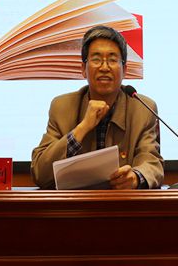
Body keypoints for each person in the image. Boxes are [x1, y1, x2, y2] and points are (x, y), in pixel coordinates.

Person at [31, 25, 163, 189]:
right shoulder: (62, 107)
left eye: (112, 60)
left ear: (125, 70)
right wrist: (82, 128)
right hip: (77, 202)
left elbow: (152, 161)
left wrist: (136, 177)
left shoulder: (143, 108)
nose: (104, 67)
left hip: (123, 202)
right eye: (96, 59)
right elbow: (40, 172)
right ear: (83, 69)